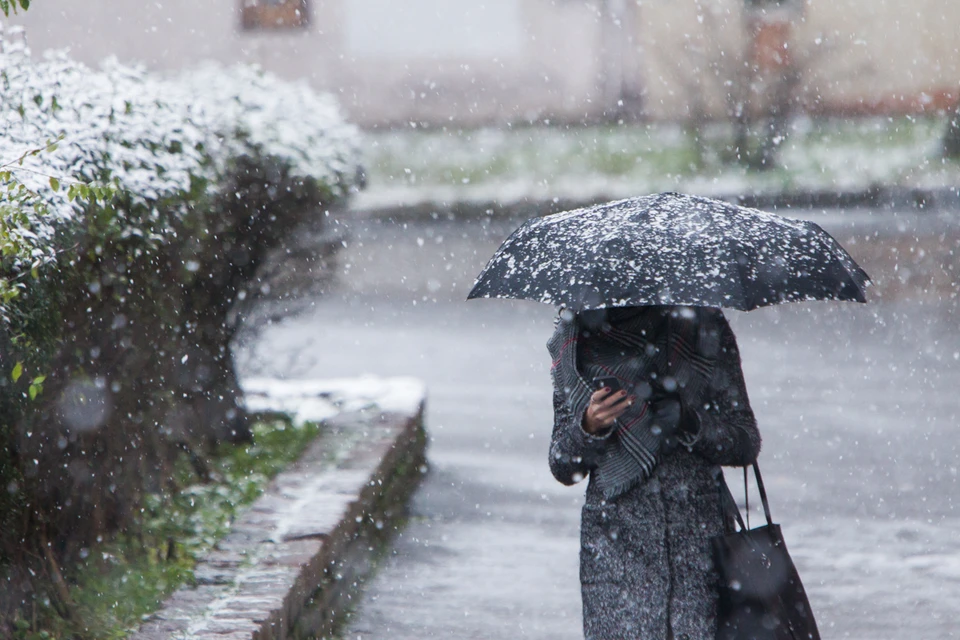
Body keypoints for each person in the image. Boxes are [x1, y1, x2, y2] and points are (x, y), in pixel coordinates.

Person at [547, 304, 761, 640]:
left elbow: (746, 442)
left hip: (699, 550)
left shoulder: (704, 327)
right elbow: (562, 464)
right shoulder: (575, 343)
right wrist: (588, 426)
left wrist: (691, 424)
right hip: (615, 557)